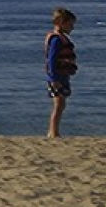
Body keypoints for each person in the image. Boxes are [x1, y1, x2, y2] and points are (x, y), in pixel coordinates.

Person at [44, 7, 78, 138]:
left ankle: (54, 131)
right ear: (61, 23)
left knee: (61, 104)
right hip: (57, 76)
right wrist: (53, 78)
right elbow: (51, 59)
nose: (72, 27)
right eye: (70, 24)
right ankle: (53, 132)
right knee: (58, 104)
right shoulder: (56, 39)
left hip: (62, 75)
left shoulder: (61, 38)